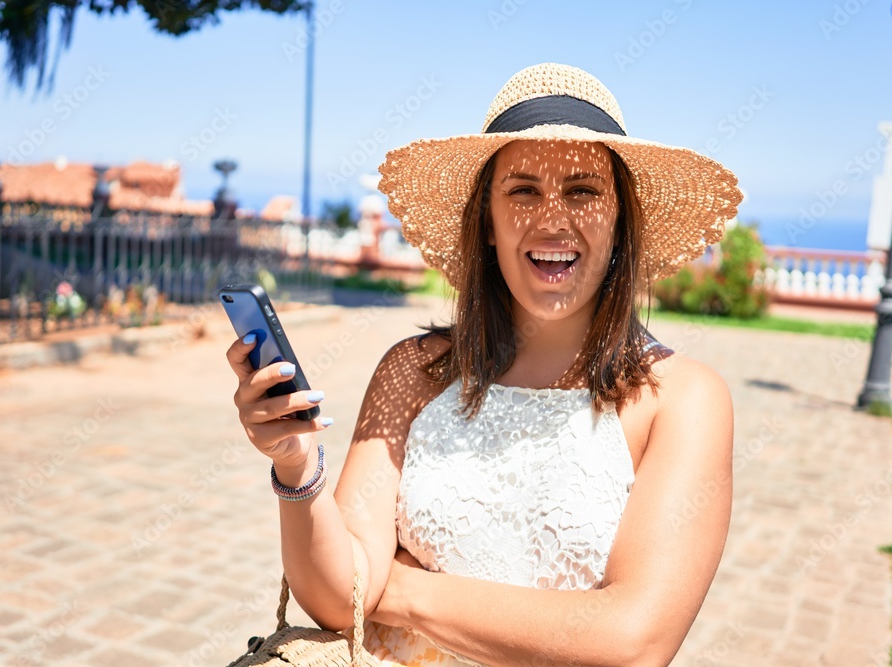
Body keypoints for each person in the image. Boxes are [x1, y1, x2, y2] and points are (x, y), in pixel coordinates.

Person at [226, 62, 743, 666]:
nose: (553, 218)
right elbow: (341, 600)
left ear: (620, 219)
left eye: (583, 190)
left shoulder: (683, 400)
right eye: (523, 190)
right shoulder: (413, 373)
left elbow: (632, 641)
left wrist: (405, 591)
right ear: (488, 223)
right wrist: (297, 468)